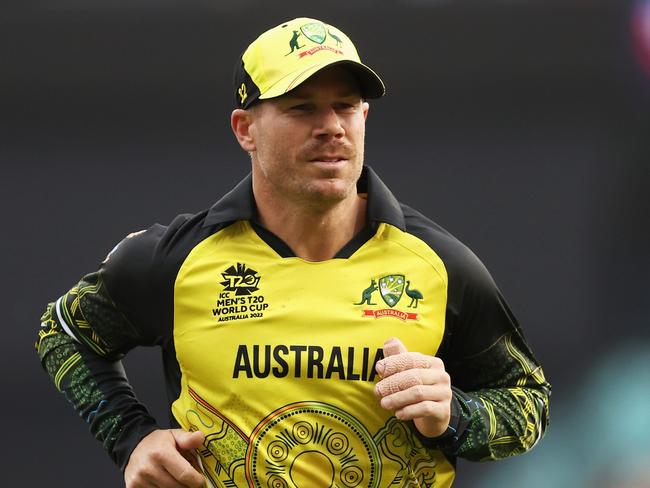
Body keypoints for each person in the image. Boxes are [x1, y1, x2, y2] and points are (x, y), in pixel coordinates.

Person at [36, 17, 550, 488]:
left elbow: (528, 402)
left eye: (345, 106)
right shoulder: (177, 259)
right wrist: (133, 440)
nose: (331, 125)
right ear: (245, 129)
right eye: (302, 108)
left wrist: (453, 415)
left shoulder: (440, 265)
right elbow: (62, 333)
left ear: (365, 116)